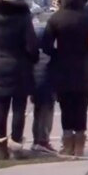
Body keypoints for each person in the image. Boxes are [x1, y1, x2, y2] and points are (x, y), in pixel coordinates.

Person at [41, 0, 88, 157]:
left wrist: (56, 54)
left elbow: (46, 44)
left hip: (62, 66)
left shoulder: (56, 18)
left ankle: (67, 142)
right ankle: (80, 143)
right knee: (81, 107)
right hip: (84, 66)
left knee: (66, 107)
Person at [0, 0, 38, 160]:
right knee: (19, 108)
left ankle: (1, 147)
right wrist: (32, 59)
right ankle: (16, 145)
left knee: (0, 107)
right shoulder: (23, 17)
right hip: (20, 65)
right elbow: (31, 45)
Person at [30, 18, 55, 153]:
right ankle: (41, 140)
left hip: (36, 87)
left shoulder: (32, 55)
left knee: (38, 113)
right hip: (46, 88)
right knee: (45, 114)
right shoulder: (47, 55)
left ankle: (38, 140)